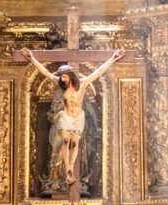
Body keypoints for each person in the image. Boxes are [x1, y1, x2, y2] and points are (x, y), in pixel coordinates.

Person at [21, 47, 125, 184]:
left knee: (74, 143)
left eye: (64, 76)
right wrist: (32, 58)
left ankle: (70, 169)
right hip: (66, 116)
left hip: (78, 118)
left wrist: (113, 58)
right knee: (65, 141)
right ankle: (68, 170)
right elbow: (45, 72)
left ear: (70, 75)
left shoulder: (82, 84)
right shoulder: (60, 84)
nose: (62, 79)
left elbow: (98, 72)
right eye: (61, 76)